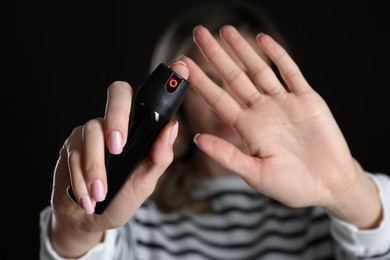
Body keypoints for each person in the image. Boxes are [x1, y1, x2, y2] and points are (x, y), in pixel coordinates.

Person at [39, 1, 390, 259]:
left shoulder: (327, 216)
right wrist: (77, 231)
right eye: (210, 85)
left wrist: (347, 189)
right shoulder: (133, 215)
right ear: (178, 98)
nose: (227, 101)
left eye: (248, 80)